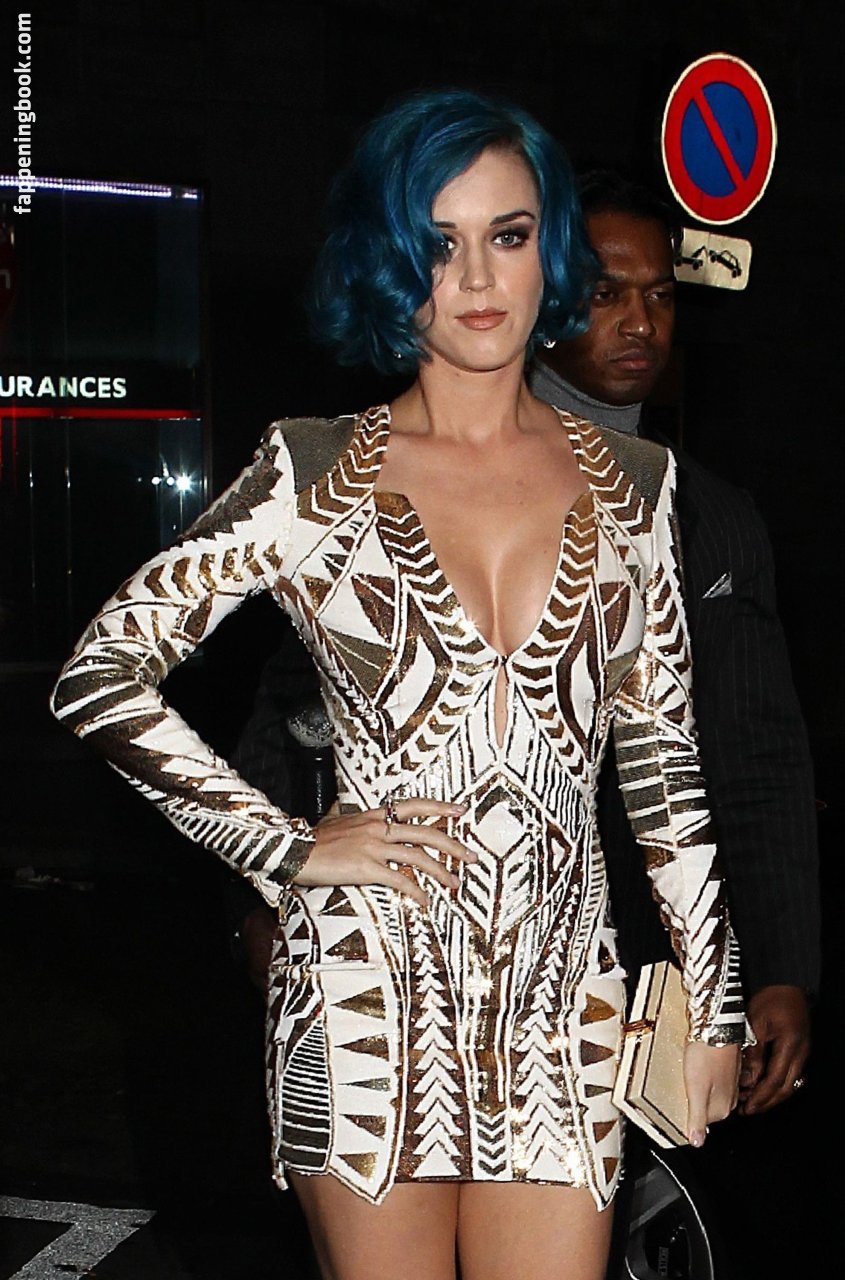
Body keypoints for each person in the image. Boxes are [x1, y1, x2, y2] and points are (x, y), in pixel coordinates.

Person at [51, 90, 744, 1280]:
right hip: (363, 993)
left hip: (559, 1006)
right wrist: (285, 845)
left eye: (507, 234)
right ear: (387, 256)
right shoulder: (311, 472)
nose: (474, 275)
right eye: (437, 241)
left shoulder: (635, 482)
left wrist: (713, 998)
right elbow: (100, 675)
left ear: (549, 248)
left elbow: (662, 762)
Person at [529, 171, 820, 1116]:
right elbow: (311, 705)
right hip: (461, 952)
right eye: (604, 293)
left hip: (657, 960)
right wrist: (269, 897)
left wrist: (779, 966)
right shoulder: (441, 483)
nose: (639, 322)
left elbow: (755, 750)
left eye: (658, 296)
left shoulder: (711, 514)